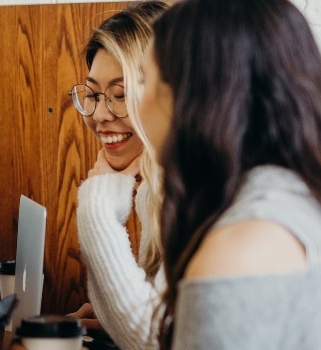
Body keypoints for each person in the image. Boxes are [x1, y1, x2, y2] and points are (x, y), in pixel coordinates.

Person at [140, 0, 321, 348]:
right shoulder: (295, 198)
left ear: (191, 98)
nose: (138, 102)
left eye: (143, 79)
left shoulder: (240, 249)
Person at [63, 2, 168, 349]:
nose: (99, 115)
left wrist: (96, 210)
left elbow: (158, 341)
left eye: (120, 95)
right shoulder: (154, 189)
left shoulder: (200, 191)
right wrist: (113, 318)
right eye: (92, 94)